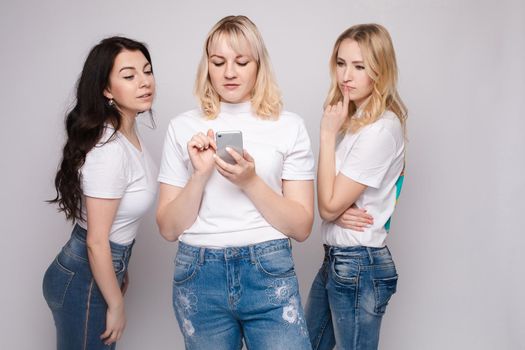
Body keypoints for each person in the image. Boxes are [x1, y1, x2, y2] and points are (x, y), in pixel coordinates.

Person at [157, 15, 315, 350]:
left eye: (241, 62)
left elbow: (301, 227)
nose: (229, 72)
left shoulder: (289, 126)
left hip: (268, 270)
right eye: (219, 62)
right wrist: (199, 175)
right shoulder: (181, 127)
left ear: (259, 66)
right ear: (207, 66)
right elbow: (169, 229)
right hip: (199, 275)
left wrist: (250, 181)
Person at [42, 36, 157, 349]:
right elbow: (95, 240)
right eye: (129, 76)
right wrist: (116, 303)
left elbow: (115, 228)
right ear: (106, 90)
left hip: (100, 268)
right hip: (84, 276)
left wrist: (121, 268)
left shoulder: (128, 136)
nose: (144, 82)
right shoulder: (109, 150)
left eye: (147, 71)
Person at [305, 23, 407, 350]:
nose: (346, 75)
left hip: (359, 262)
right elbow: (329, 199)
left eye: (359, 66)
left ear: (381, 70)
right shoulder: (355, 122)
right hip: (339, 258)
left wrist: (324, 133)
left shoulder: (380, 129)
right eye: (341, 63)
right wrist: (333, 209)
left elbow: (329, 204)